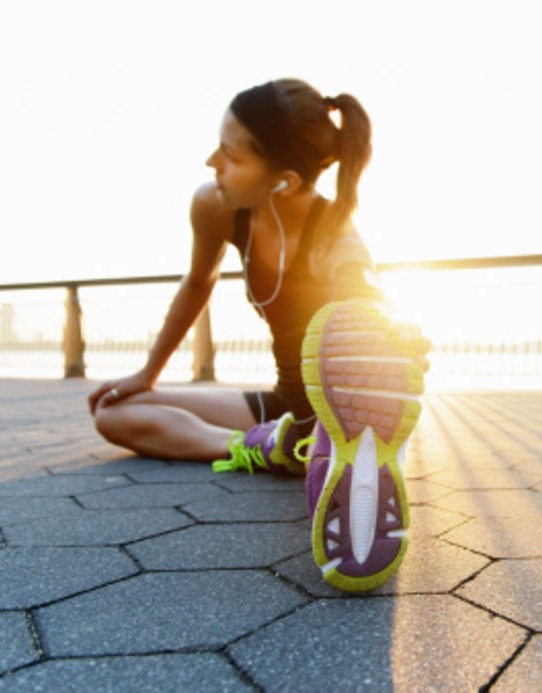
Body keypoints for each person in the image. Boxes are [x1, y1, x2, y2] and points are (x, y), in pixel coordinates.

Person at [88, 78, 429, 591]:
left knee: (334, 411)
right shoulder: (216, 205)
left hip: (335, 412)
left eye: (230, 155)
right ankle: (272, 446)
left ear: (284, 182)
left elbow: (365, 299)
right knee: (114, 412)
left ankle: (324, 451)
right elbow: (197, 283)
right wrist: (147, 374)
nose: (212, 163)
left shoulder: (336, 235)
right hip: (284, 404)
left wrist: (393, 334)